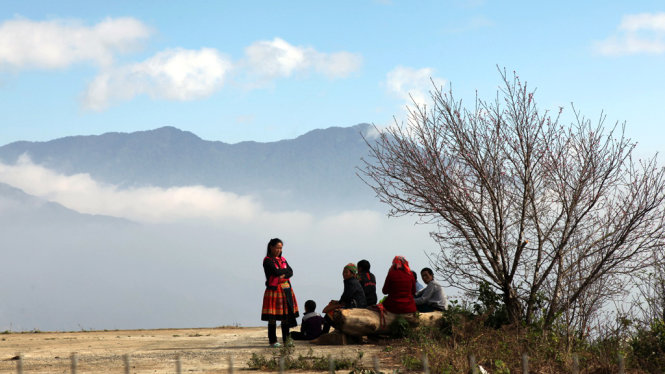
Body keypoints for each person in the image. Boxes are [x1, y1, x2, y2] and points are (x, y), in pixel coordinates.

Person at [261, 238, 299, 347]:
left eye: (281, 248)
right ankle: (273, 341)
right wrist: (283, 273)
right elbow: (276, 272)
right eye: (277, 247)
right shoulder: (267, 260)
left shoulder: (283, 259)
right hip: (274, 291)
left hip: (286, 290)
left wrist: (282, 274)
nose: (279, 250)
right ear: (271, 247)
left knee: (285, 317)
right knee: (272, 318)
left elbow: (291, 272)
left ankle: (286, 340)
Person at [322, 263, 367, 333]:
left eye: (346, 272)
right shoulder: (351, 281)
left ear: (352, 273)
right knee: (331, 306)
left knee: (329, 314)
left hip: (354, 306)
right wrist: (338, 302)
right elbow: (346, 296)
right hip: (354, 304)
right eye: (343, 272)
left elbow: (347, 296)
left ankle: (327, 332)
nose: (344, 274)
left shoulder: (351, 282)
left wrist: (338, 303)